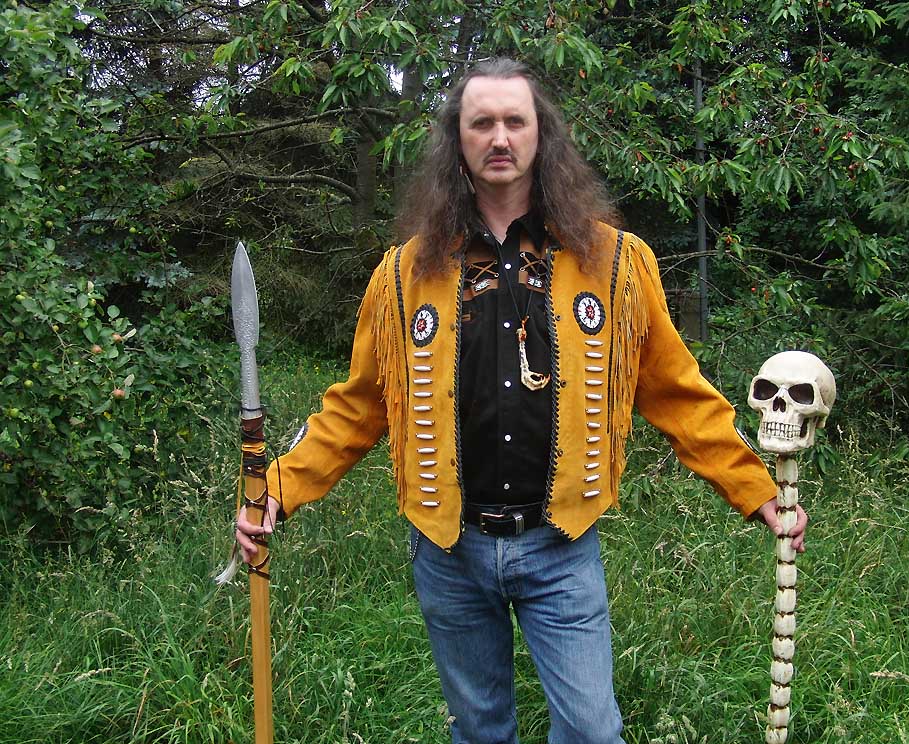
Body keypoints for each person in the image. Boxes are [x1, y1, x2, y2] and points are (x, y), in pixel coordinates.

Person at [236, 57, 807, 744]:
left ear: (542, 135)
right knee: (478, 730)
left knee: (592, 731)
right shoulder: (403, 275)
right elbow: (358, 407)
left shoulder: (617, 264)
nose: (500, 137)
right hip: (448, 549)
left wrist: (754, 488)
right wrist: (277, 489)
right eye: (482, 123)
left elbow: (679, 394)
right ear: (458, 140)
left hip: (560, 544)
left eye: (515, 120)